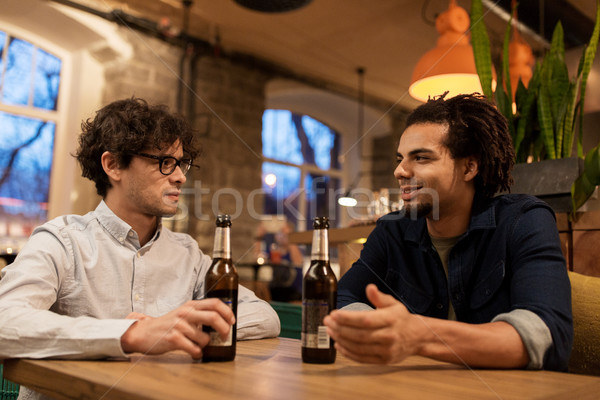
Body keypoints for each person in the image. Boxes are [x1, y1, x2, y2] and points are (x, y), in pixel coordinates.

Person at [0, 98, 280, 386]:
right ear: (113, 165)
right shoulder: (62, 240)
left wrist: (188, 326)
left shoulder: (188, 254)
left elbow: (264, 315)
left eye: (182, 163)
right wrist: (130, 333)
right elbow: (5, 322)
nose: (181, 177)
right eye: (165, 163)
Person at [324, 93, 572, 371]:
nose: (399, 171)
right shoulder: (391, 230)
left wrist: (418, 334)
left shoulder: (524, 221)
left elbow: (547, 336)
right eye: (400, 158)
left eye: (420, 158)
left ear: (469, 167)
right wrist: (376, 329)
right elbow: (341, 299)